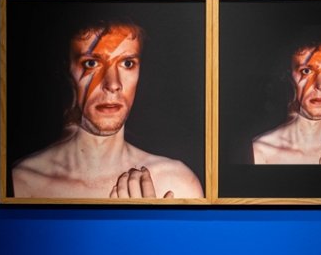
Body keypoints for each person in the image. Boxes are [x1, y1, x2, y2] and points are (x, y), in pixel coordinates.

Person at [12, 19, 204, 199]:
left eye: (127, 63)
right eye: (91, 63)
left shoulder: (177, 183)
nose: (113, 84)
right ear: (65, 72)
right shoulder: (21, 183)